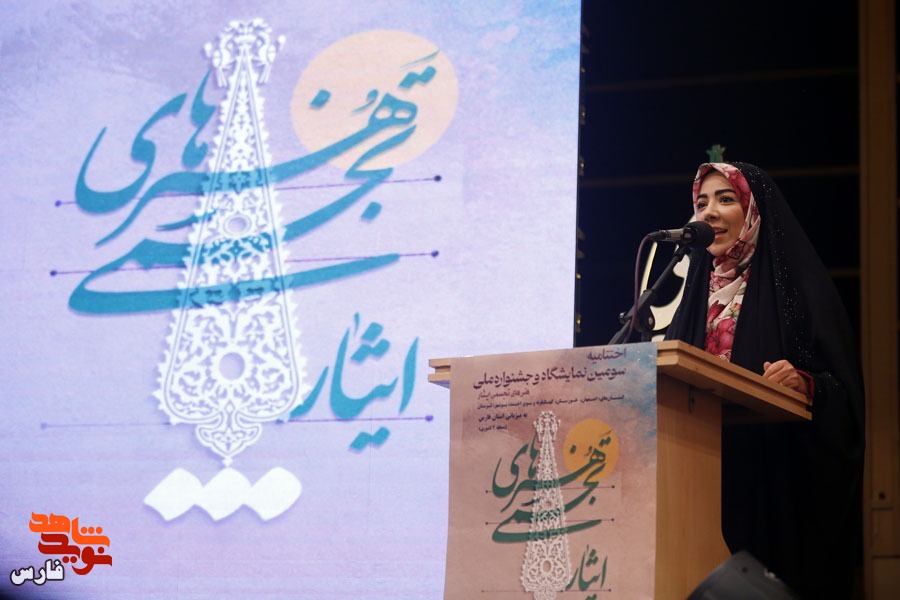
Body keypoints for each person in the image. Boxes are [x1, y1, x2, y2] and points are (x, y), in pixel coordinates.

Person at [664, 162, 866, 598]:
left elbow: (845, 395)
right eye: (702, 202)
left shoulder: (798, 290)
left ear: (754, 211)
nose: (709, 212)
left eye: (726, 199)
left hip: (772, 486)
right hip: (697, 484)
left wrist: (806, 384)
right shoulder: (697, 294)